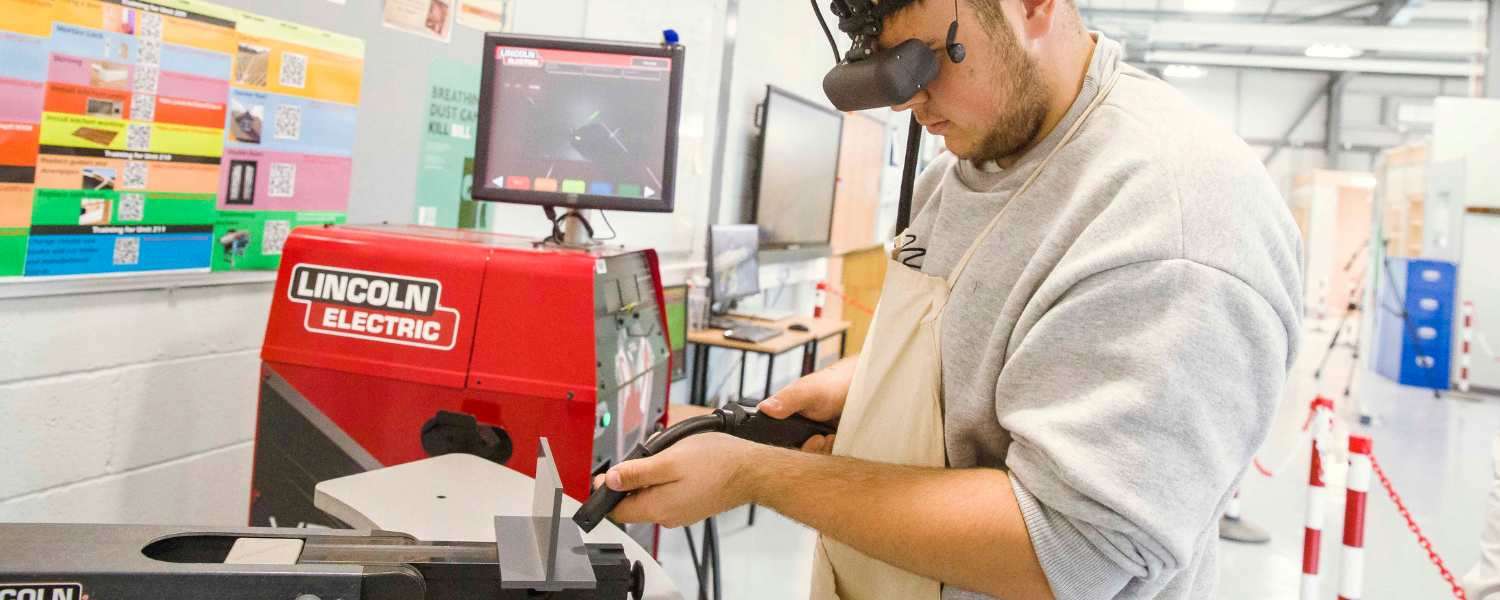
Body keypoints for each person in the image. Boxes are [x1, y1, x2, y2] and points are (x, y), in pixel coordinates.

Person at [597, 0, 1303, 597]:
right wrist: (868, 386)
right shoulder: (970, 163)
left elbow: (1072, 548)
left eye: (928, 59)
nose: (908, 101)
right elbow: (984, 347)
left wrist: (761, 474)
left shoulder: (1170, 221)